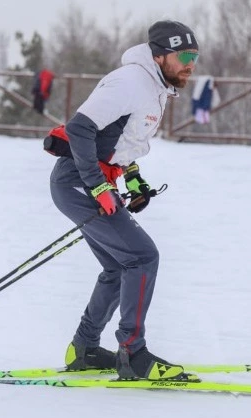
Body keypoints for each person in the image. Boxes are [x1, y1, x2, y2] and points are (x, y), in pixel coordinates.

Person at [49, 20, 200, 381]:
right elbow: (80, 128)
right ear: (160, 55)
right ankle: (133, 354)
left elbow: (116, 140)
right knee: (142, 257)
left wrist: (131, 177)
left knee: (120, 266)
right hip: (77, 181)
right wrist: (99, 187)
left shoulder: (155, 86)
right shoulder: (131, 81)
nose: (191, 63)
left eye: (195, 55)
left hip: (89, 180)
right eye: (185, 55)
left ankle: (83, 349)